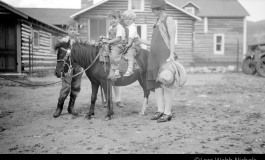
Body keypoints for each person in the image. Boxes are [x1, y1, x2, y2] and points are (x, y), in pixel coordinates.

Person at [140, 0, 177, 123]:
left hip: (165, 57)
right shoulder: (157, 22)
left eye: (154, 9)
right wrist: (140, 40)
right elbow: (154, 43)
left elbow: (172, 38)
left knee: (166, 84)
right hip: (154, 58)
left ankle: (168, 113)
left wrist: (171, 55)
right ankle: (160, 110)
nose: (152, 11)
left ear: (160, 9)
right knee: (157, 87)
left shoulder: (168, 20)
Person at [53, 20, 84, 118]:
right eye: (71, 29)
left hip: (78, 66)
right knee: (66, 87)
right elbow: (59, 54)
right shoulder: (64, 40)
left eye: (75, 29)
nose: (73, 31)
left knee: (76, 86)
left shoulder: (79, 41)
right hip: (67, 67)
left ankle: (71, 107)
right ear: (67, 30)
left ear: (77, 30)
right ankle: (59, 107)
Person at [102, 10, 126, 79]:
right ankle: (106, 66)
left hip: (119, 44)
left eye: (115, 18)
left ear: (119, 19)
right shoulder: (110, 27)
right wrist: (104, 38)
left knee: (114, 54)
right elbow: (107, 37)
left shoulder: (119, 27)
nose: (113, 20)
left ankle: (116, 70)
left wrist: (108, 42)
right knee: (103, 49)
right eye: (111, 19)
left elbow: (118, 38)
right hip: (112, 44)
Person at [122, 10, 141, 77]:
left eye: (130, 19)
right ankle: (134, 64)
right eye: (126, 19)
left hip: (134, 45)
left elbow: (130, 38)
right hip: (129, 44)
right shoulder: (126, 27)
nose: (127, 21)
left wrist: (127, 45)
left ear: (133, 20)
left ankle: (130, 69)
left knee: (130, 53)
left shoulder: (132, 27)